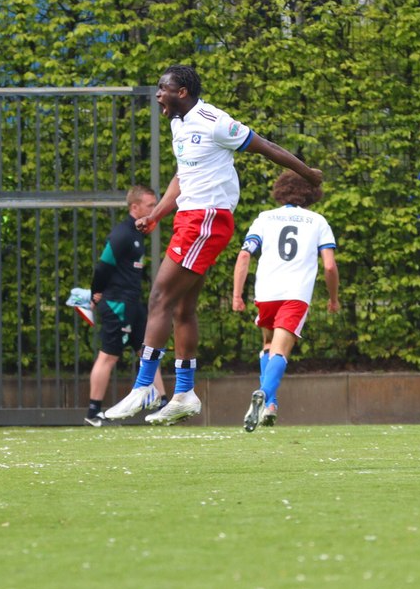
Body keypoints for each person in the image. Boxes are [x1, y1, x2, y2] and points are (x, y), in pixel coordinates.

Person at [104, 64, 323, 425]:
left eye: (164, 89)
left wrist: (307, 173)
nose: (158, 94)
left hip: (207, 219)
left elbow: (265, 146)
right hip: (190, 218)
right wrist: (157, 214)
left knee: (159, 295)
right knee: (180, 308)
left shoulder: (215, 121)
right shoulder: (177, 124)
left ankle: (144, 386)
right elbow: (183, 175)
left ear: (183, 93)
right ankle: (185, 394)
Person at [231, 171, 340, 431]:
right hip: (295, 294)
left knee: (268, 345)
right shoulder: (317, 221)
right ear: (312, 193)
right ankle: (264, 393)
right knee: (281, 350)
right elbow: (329, 266)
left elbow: (245, 255)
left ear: (281, 190)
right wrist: (333, 298)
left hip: (266, 293)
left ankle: (270, 405)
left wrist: (236, 295)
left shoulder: (265, 218)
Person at [83, 185, 167, 426]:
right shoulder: (122, 235)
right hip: (117, 304)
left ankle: (163, 404)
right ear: (135, 207)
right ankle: (93, 412)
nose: (154, 209)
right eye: (150, 206)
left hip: (133, 304)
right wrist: (96, 291)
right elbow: (102, 266)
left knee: (148, 351)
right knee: (108, 356)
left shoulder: (138, 233)